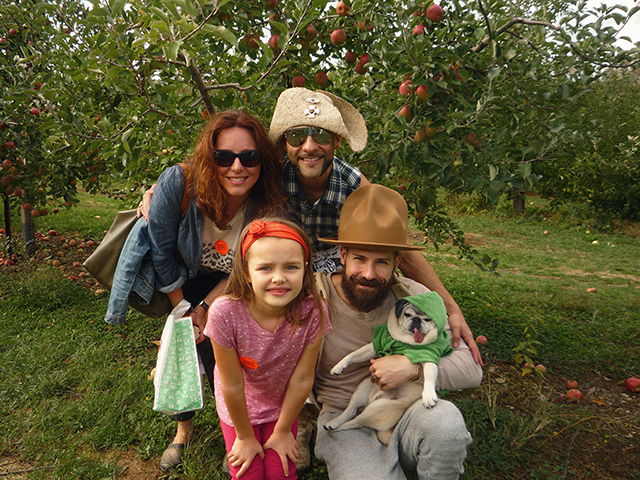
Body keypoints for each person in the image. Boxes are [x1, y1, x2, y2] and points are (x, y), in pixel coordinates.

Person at [268, 88, 481, 365]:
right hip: (287, 277)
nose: (309, 146)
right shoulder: (270, 182)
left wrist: (450, 306)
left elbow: (394, 245)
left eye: (321, 135)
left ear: (337, 142)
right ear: (285, 144)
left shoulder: (353, 184)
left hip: (339, 284)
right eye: (297, 136)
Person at [312, 184, 482, 480]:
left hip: (408, 410)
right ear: (342, 254)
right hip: (345, 419)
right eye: (360, 259)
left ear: (397, 263)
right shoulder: (314, 299)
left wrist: (413, 369)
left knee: (447, 427)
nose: (368, 274)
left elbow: (471, 370)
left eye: (381, 262)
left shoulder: (416, 298)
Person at [147, 110, 286, 471]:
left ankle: (237, 432)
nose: (237, 167)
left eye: (249, 157)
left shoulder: (267, 201)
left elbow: (249, 266)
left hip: (237, 282)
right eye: (224, 157)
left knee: (229, 354)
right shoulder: (179, 183)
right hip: (183, 279)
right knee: (184, 345)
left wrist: (209, 306)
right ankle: (183, 430)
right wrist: (185, 310)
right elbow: (161, 251)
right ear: (210, 159)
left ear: (262, 161)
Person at [205, 218, 331, 479]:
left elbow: (302, 378)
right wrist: (244, 436)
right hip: (238, 408)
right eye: (264, 268)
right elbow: (231, 385)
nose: (279, 278)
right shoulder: (225, 312)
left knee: (281, 471)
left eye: (291, 267)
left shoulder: (313, 311)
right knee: (248, 472)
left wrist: (284, 430)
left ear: (306, 269)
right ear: (246, 272)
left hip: (282, 406)